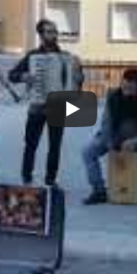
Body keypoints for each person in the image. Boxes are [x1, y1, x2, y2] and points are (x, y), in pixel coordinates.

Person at [9, 19, 84, 186]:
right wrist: (24, 76)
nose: (53, 35)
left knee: (55, 146)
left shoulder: (67, 58)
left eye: (55, 31)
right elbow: (12, 75)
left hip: (58, 106)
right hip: (37, 107)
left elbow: (76, 83)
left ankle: (50, 180)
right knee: (30, 144)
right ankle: (26, 177)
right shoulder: (33, 56)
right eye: (49, 31)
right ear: (41, 35)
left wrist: (79, 77)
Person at [82, 69, 137, 211]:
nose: (126, 89)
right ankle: (99, 191)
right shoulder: (113, 97)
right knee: (88, 151)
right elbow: (106, 123)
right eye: (124, 85)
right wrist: (110, 143)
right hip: (116, 137)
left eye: (131, 87)